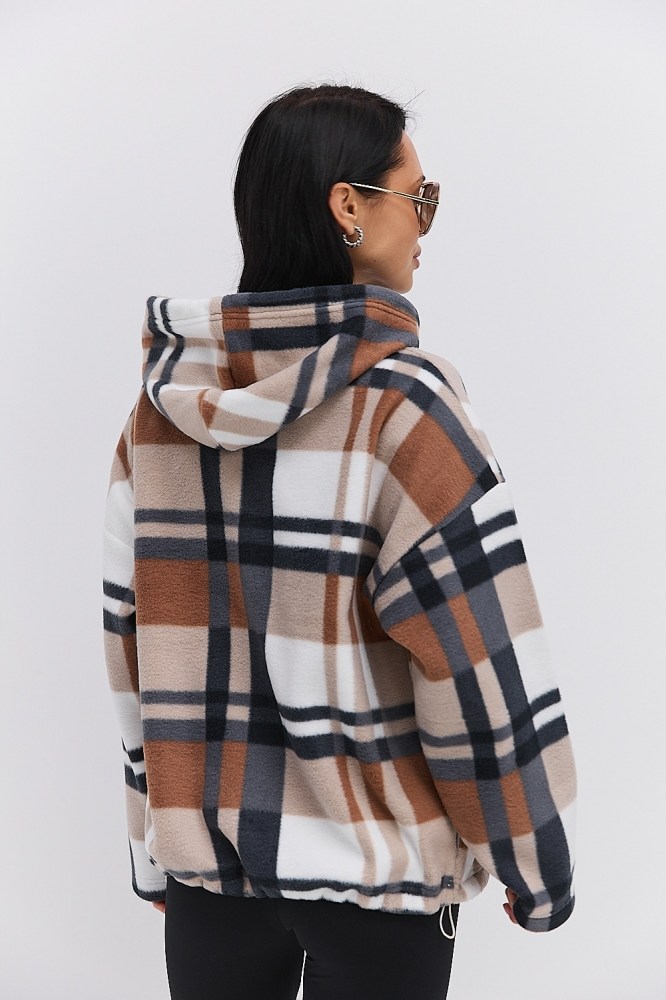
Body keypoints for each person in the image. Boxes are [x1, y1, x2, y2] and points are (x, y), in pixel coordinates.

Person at [102, 83, 577, 1000]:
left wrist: (153, 847)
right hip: (377, 888)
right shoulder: (409, 410)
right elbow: (476, 664)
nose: (427, 222)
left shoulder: (158, 419)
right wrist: (534, 863)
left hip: (211, 885)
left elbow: (134, 659)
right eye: (419, 196)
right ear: (348, 206)